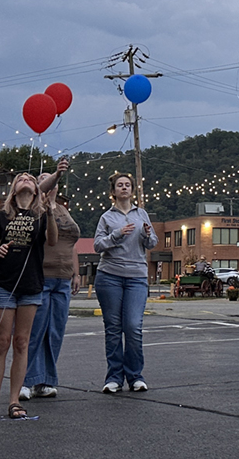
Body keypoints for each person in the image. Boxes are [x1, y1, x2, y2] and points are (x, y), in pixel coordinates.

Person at [0, 171, 58, 419]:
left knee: (22, 342)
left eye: (30, 178)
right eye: (21, 178)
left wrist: (50, 210)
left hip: (32, 285)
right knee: (2, 341)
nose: (26, 179)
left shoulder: (40, 216)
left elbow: (53, 242)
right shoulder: (0, 216)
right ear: (14, 189)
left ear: (36, 190)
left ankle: (14, 401)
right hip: (5, 285)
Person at [93, 172, 158, 394]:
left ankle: (135, 376)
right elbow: (98, 245)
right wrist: (117, 234)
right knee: (113, 328)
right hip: (109, 276)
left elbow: (152, 243)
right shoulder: (106, 218)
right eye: (119, 185)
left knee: (132, 326)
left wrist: (147, 235)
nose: (124, 188)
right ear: (113, 192)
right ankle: (113, 378)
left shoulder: (142, 214)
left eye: (127, 185)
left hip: (136, 277)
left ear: (132, 190)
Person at [20, 162, 80, 400]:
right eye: (44, 179)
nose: (50, 182)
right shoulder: (34, 208)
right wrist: (54, 175)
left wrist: (76, 273)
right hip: (41, 277)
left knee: (55, 332)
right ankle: (24, 380)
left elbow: (72, 244)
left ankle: (45, 381)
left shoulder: (64, 210)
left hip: (63, 280)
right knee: (35, 331)